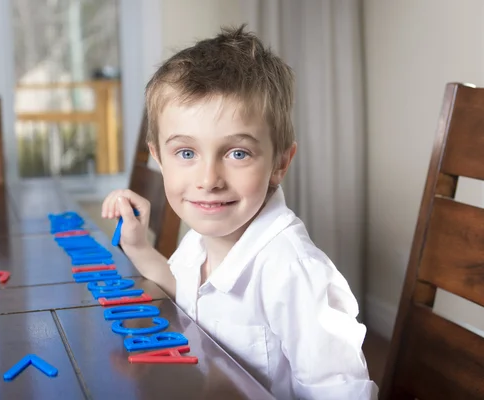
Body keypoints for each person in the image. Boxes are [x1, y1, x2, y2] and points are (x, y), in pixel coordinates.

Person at [101, 24, 378, 400]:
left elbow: (342, 391)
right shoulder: (203, 237)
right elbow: (180, 290)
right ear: (159, 158)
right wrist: (137, 247)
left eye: (237, 153)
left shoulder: (292, 271)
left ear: (280, 163)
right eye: (186, 153)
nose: (209, 179)